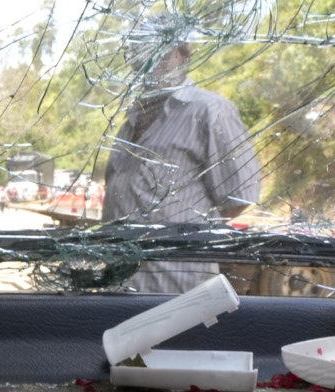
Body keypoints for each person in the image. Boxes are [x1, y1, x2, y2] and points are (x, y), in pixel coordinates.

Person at [102, 12, 261, 293]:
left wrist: (176, 240)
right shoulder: (130, 120)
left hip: (178, 293)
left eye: (160, 52)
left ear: (184, 55)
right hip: (119, 290)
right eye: (140, 52)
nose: (148, 62)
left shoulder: (209, 111)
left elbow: (239, 195)